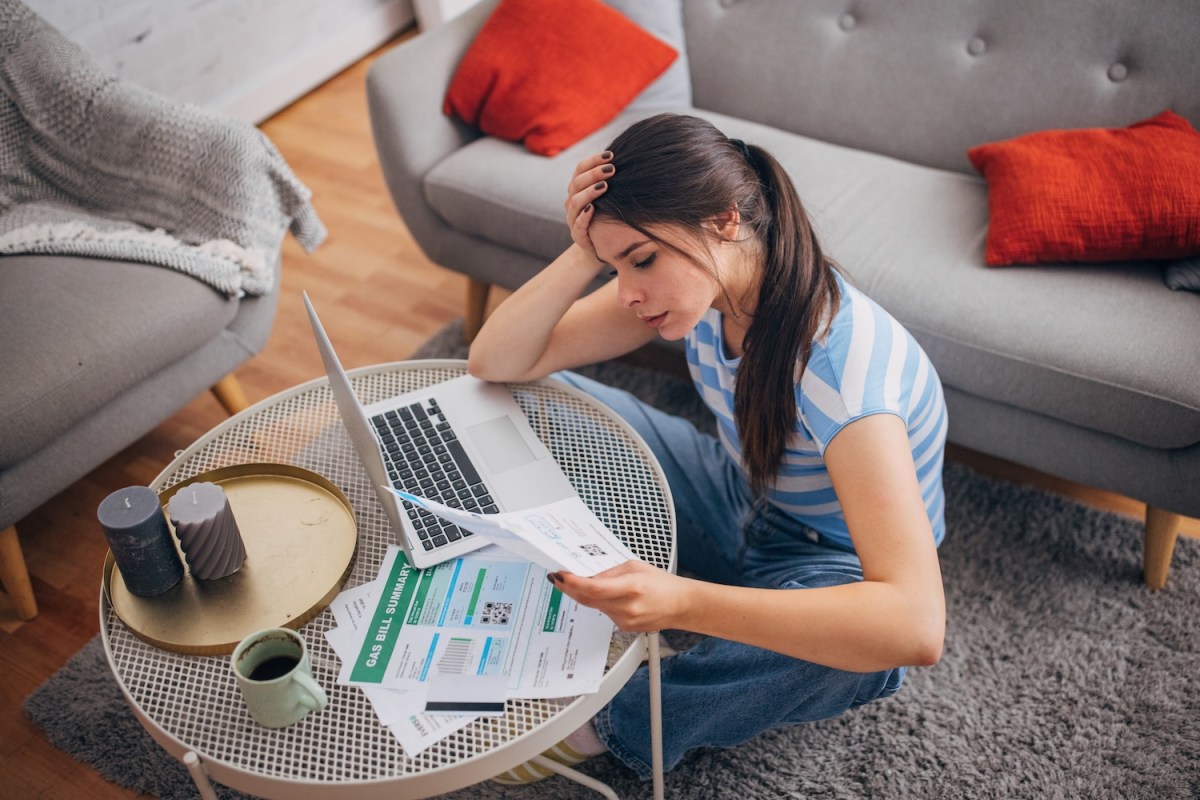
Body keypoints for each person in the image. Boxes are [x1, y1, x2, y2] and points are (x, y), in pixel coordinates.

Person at [468, 113, 948, 782]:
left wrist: (684, 602)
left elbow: (918, 625)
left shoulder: (842, 369)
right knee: (530, 397)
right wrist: (584, 251)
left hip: (831, 563)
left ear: (724, 221)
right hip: (735, 492)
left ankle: (605, 723)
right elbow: (496, 361)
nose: (629, 292)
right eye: (617, 266)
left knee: (862, 655)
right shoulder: (707, 289)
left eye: (642, 260)